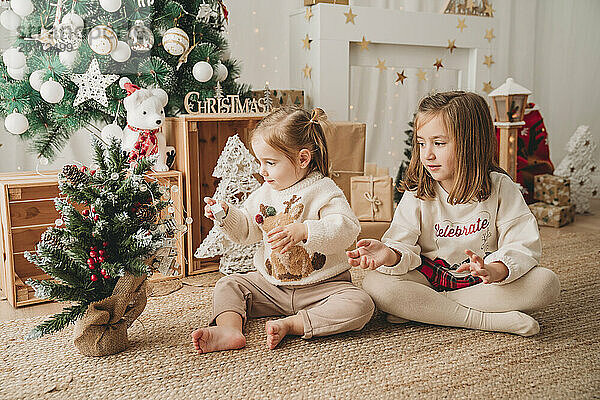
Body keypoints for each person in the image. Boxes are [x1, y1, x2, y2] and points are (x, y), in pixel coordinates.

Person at [347, 91, 560, 337]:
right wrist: (390, 254)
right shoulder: (418, 193)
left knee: (546, 283)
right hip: (428, 278)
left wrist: (496, 269)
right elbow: (401, 245)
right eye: (421, 143)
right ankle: (484, 320)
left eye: (438, 143)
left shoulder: (501, 187)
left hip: (484, 281)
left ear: (471, 142)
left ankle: (425, 309)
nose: (427, 154)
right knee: (375, 284)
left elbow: (523, 245)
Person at [192, 106, 374, 353]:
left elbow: (347, 229)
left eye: (270, 162)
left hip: (323, 287)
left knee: (361, 304)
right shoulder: (265, 192)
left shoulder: (323, 189)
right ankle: (229, 329)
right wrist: (225, 215)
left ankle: (294, 324)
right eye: (260, 162)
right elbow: (247, 229)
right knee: (229, 284)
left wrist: (305, 231)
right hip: (272, 287)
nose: (261, 170)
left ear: (302, 159)